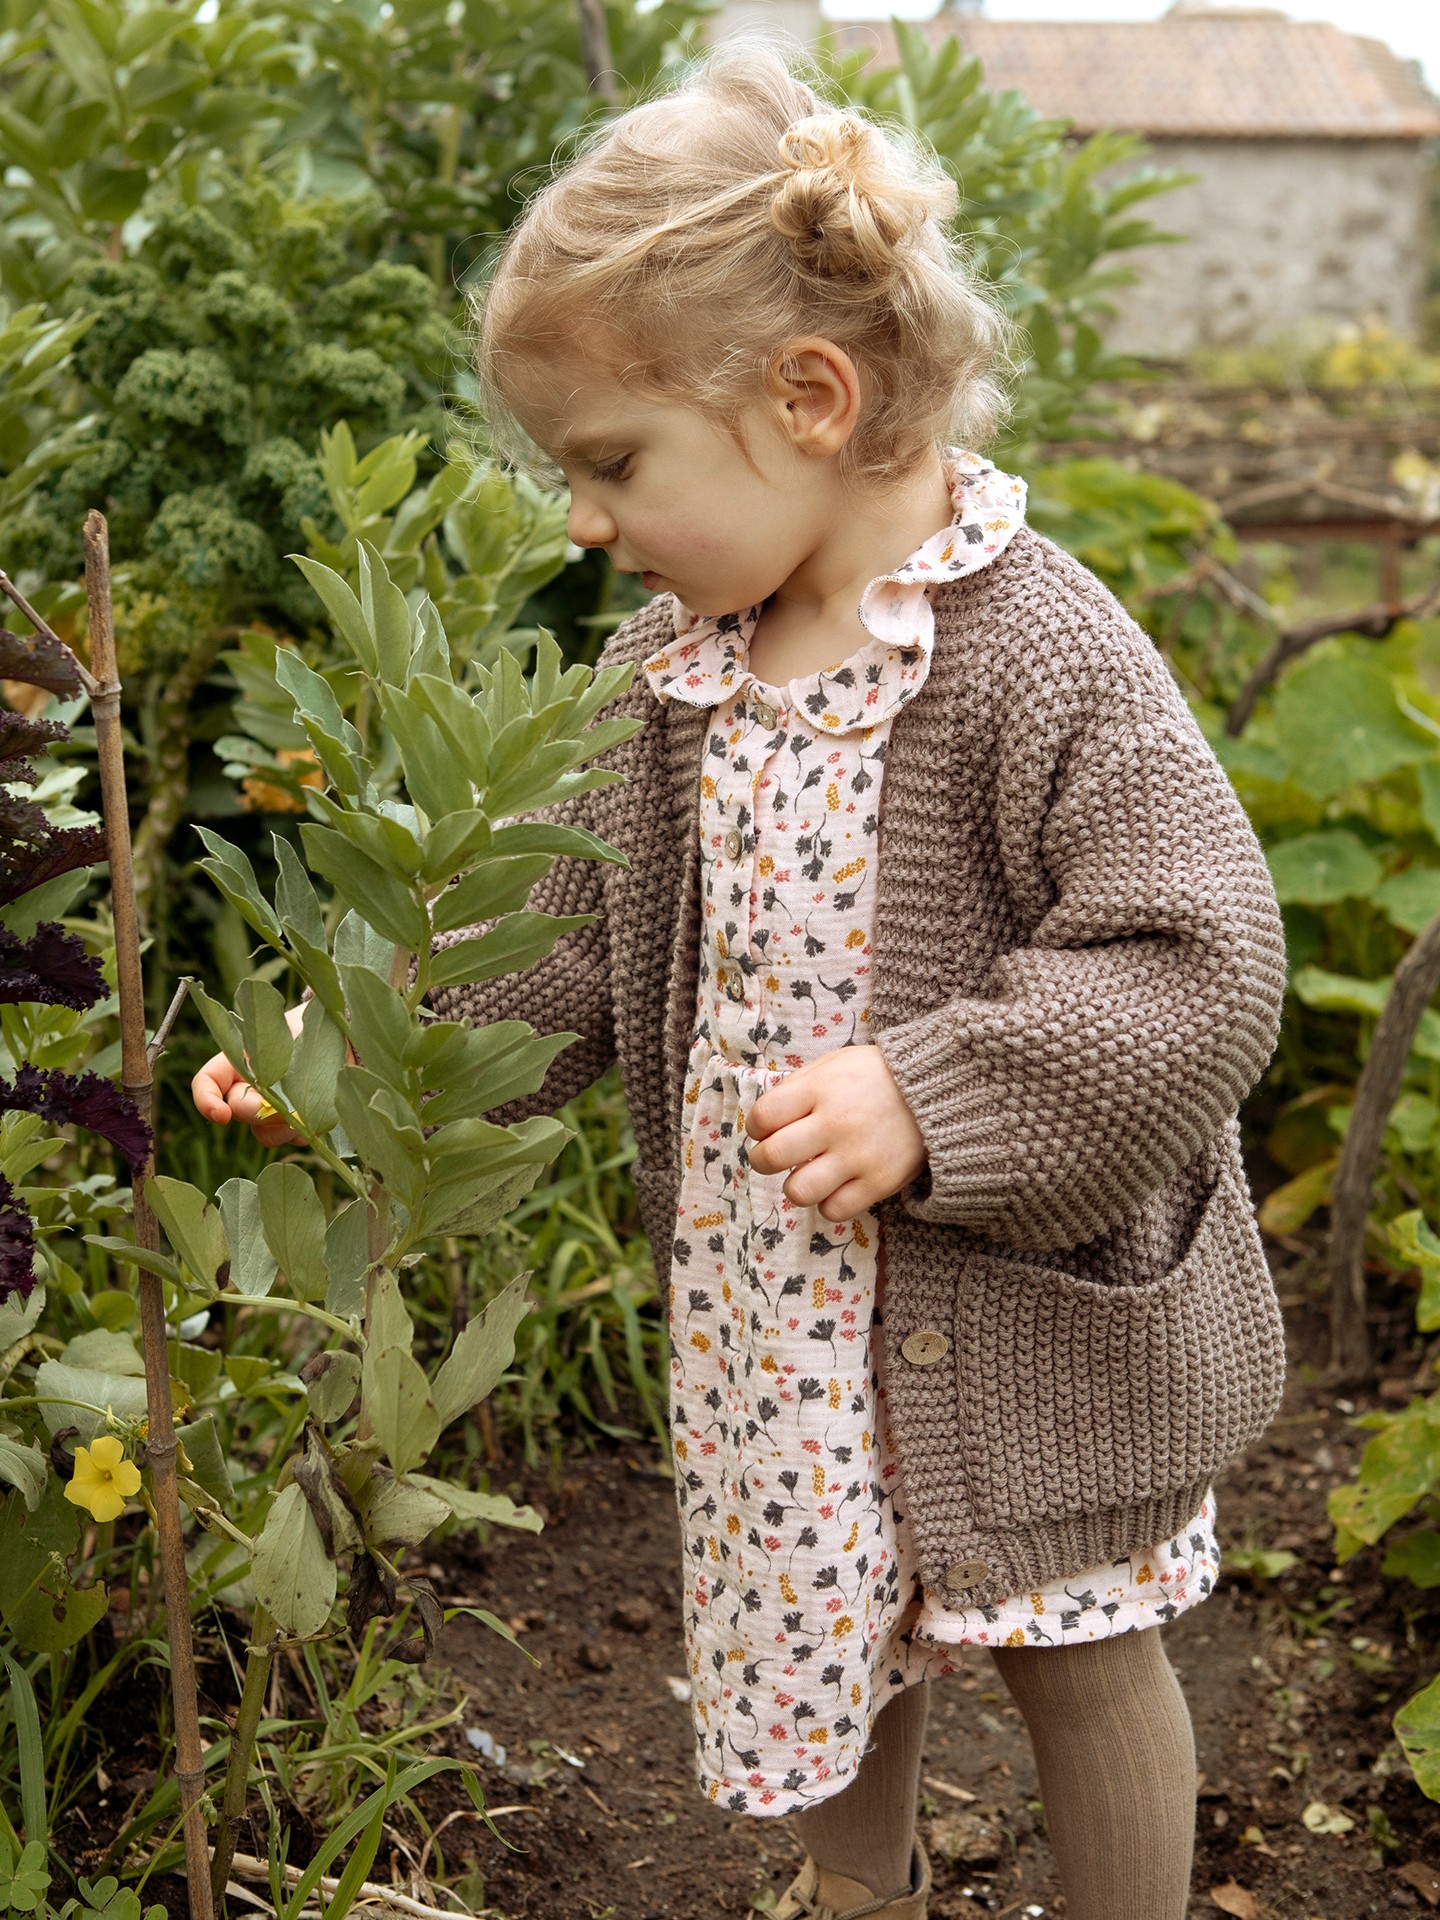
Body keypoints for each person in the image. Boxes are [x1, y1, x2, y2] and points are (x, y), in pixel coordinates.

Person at [192, 36, 1288, 1920]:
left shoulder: (1042, 655)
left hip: (1016, 1316)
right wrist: (349, 1063)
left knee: (1078, 1647)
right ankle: (853, 1899)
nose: (584, 524)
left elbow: (1202, 956)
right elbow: (557, 950)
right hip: (778, 1317)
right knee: (824, 1633)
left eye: (611, 464)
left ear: (807, 394)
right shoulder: (673, 685)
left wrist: (938, 1098)